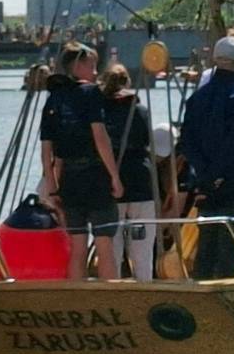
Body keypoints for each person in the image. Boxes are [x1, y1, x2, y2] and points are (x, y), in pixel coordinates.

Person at [38, 44, 126, 281]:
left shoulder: (53, 100)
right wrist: (114, 176)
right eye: (91, 65)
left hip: (69, 180)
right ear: (76, 66)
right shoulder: (90, 93)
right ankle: (109, 295)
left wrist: (53, 186)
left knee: (77, 244)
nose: (96, 72)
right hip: (95, 176)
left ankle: (78, 292)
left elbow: (46, 151)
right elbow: (100, 136)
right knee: (104, 243)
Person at [180, 35, 234, 280]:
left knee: (207, 243)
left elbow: (187, 140)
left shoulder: (198, 97)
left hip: (204, 180)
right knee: (230, 246)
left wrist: (205, 174)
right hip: (233, 179)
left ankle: (202, 289)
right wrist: (218, 174)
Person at [100, 63, 159, 281]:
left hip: (109, 180)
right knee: (142, 249)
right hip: (140, 180)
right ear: (127, 82)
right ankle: (144, 286)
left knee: (112, 247)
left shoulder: (99, 111)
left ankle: (113, 288)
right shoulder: (139, 110)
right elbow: (146, 141)